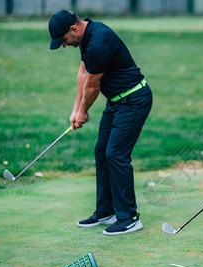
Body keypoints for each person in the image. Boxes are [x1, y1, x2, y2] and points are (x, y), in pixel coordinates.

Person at [48, 10, 152, 235]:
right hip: (117, 102)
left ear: (73, 29)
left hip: (134, 100)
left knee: (115, 154)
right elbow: (83, 74)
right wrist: (76, 109)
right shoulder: (87, 36)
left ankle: (129, 218)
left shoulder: (97, 43)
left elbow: (93, 86)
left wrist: (84, 112)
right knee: (101, 150)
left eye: (63, 40)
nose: (64, 45)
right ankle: (106, 211)